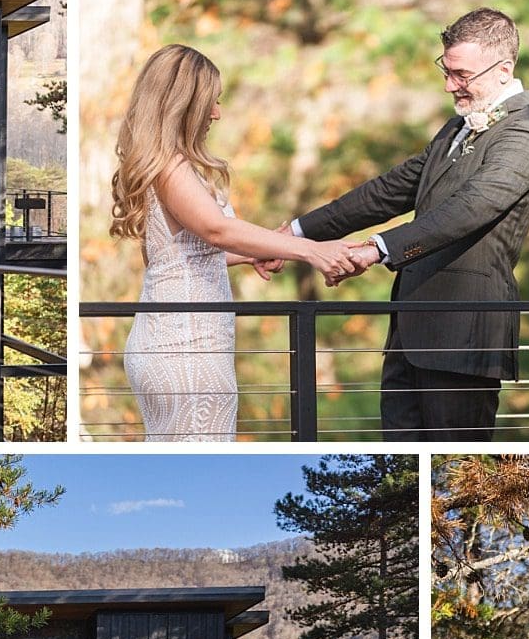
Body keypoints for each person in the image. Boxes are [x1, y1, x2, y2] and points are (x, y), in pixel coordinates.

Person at [291, 6, 529, 441]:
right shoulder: (455, 129)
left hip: (463, 334)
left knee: (450, 464)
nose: (452, 85)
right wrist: (294, 234)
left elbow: (470, 208)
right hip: (408, 330)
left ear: (504, 69)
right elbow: (388, 191)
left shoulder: (525, 135)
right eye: (447, 71)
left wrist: (376, 249)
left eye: (462, 74)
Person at [109, 46, 363, 441]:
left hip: (167, 339)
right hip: (187, 348)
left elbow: (174, 257)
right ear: (184, 104)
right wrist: (312, 250)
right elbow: (216, 229)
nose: (217, 114)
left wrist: (253, 253)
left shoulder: (157, 163)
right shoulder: (169, 166)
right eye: (212, 102)